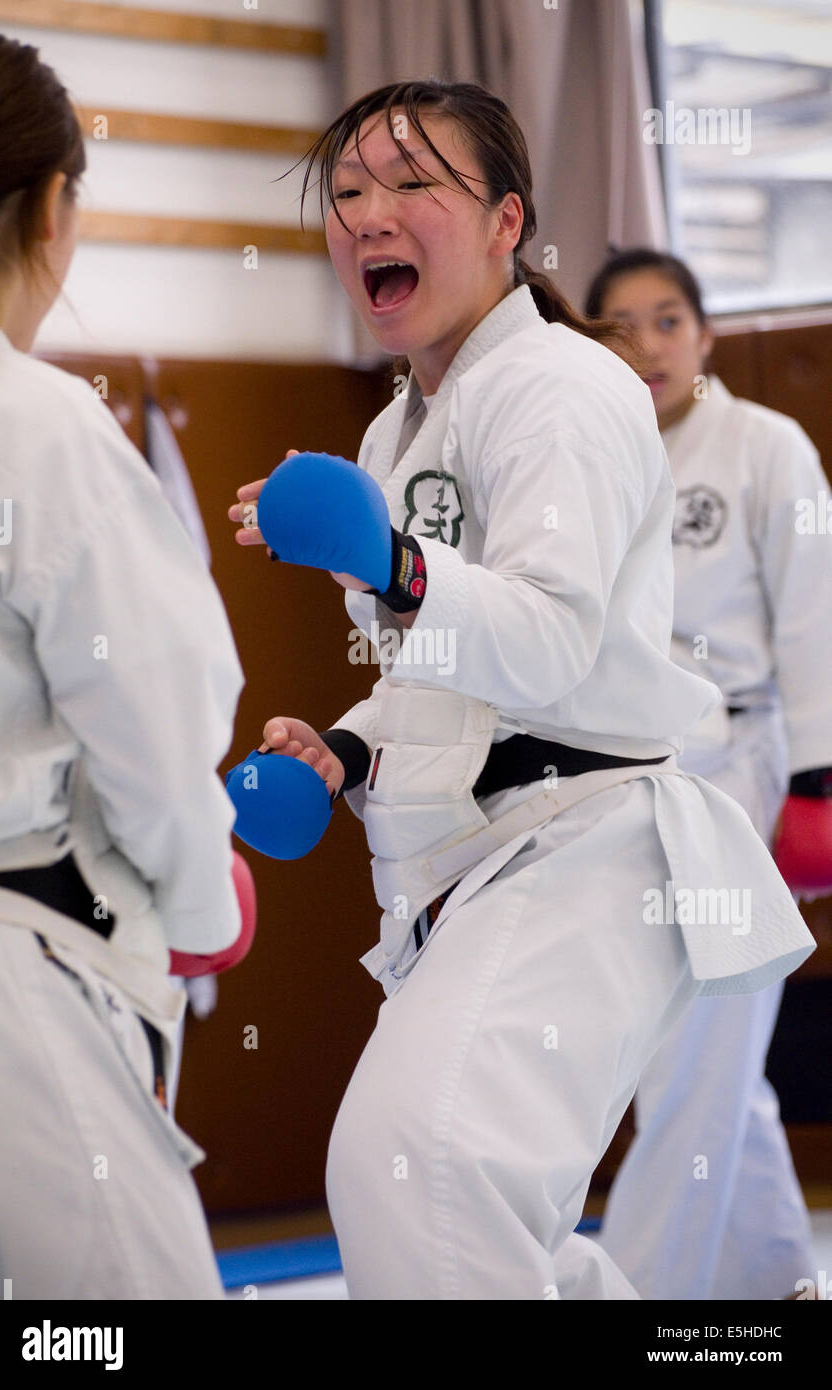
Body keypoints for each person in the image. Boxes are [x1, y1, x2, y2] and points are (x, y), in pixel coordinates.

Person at [229, 80, 813, 1300]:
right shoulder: (397, 435)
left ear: (506, 221)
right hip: (477, 865)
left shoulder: (563, 386)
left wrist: (387, 561)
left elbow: (546, 644)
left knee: (421, 1167)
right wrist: (344, 746)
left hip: (589, 845)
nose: (368, 214)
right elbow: (439, 679)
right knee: (453, 1199)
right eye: (345, 193)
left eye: (409, 185)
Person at [0, 29, 244, 1299]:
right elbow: (154, 722)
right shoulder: (32, 429)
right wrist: (198, 908)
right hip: (11, 975)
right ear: (48, 204)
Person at [584, 248, 831, 1300]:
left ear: (705, 333)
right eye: (621, 325)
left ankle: (643, 1292)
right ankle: (779, 1281)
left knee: (697, 1056)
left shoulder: (763, 446)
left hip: (743, 767)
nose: (646, 344)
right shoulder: (587, 450)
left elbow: (815, 605)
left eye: (668, 319)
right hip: (621, 773)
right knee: (700, 1054)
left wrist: (817, 782)